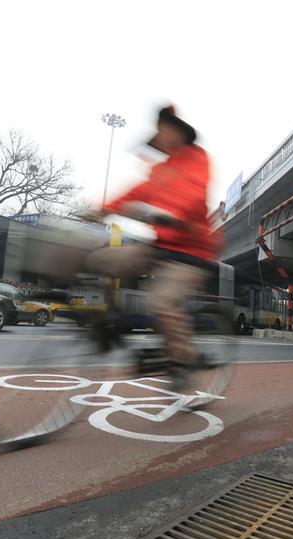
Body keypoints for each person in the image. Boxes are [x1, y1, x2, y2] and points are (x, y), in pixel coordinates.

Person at [86, 105, 220, 389]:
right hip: (160, 246)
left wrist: (173, 214)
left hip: (192, 253)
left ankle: (182, 360)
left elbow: (194, 193)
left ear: (177, 131)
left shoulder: (198, 159)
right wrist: (101, 210)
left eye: (163, 128)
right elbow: (135, 193)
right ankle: (107, 322)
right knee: (96, 260)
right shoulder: (159, 170)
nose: (159, 135)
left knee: (160, 303)